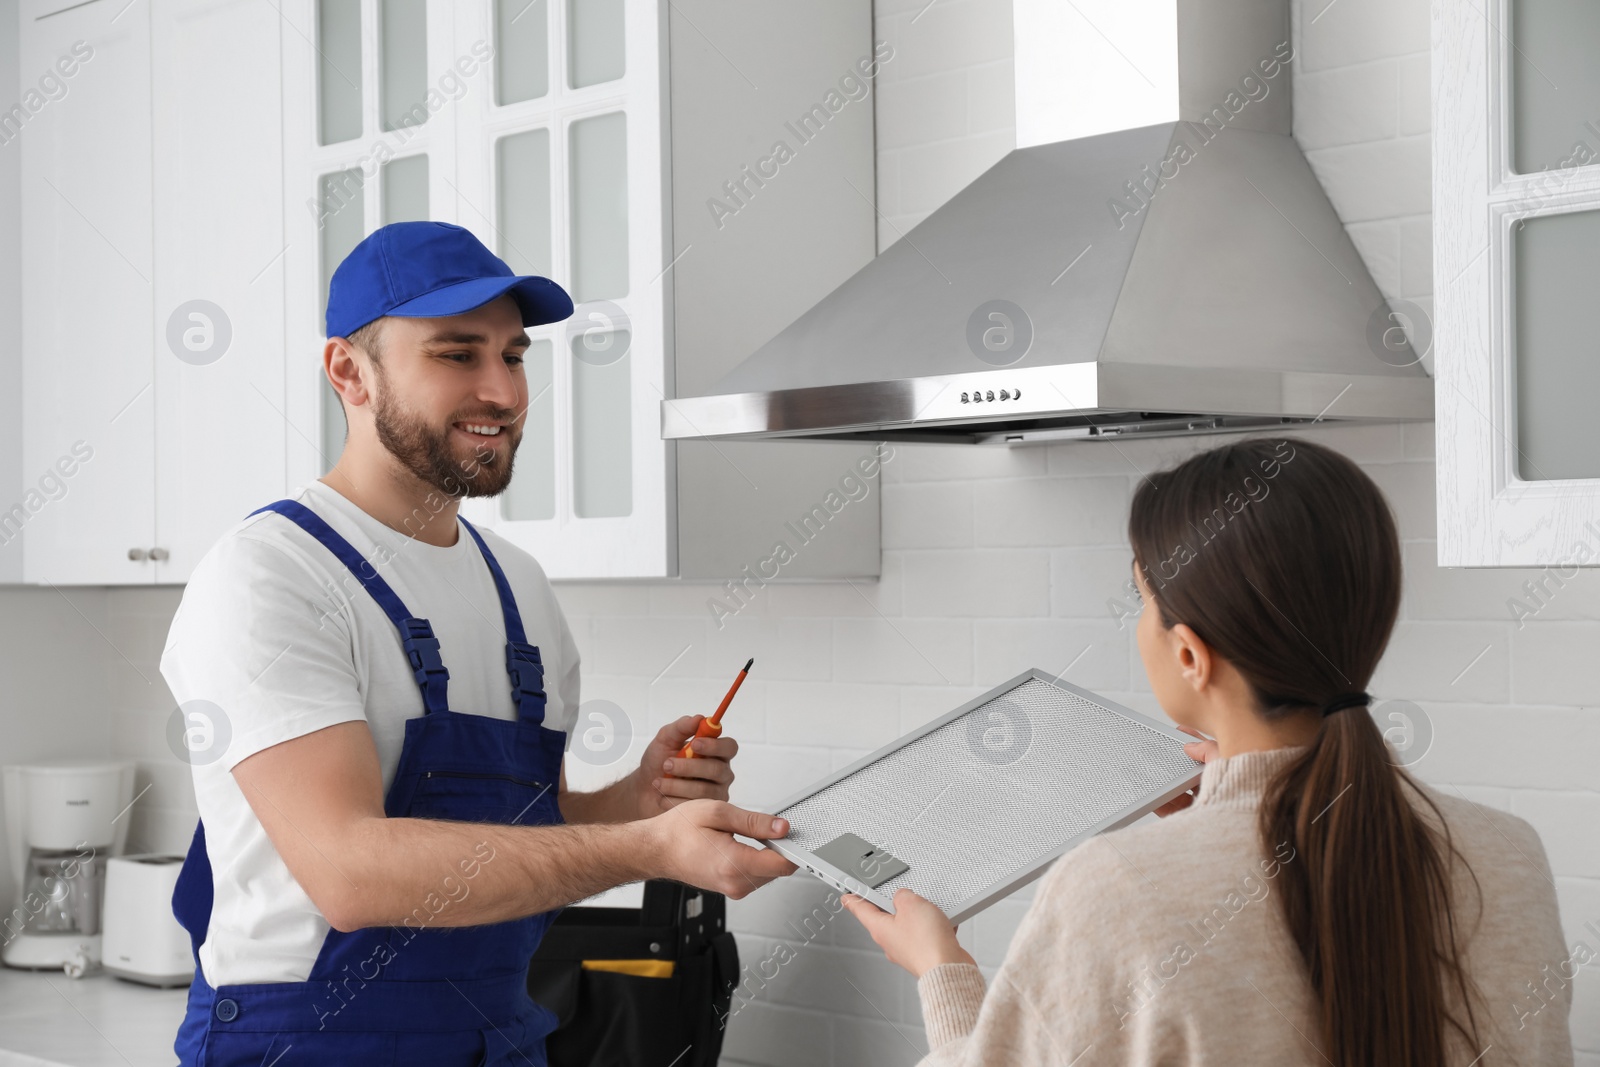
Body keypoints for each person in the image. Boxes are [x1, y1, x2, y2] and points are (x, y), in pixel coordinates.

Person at [161, 221, 796, 1066]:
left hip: (495, 1039)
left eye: (515, 355)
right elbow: (350, 870)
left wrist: (637, 801)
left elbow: (535, 832)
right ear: (349, 372)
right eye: (458, 355)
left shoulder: (519, 588)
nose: (501, 390)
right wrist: (642, 849)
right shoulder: (271, 575)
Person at [843, 437, 1574, 1066]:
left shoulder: (1116, 887)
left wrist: (942, 967)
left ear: (1190, 654)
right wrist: (1223, 825)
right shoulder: (1509, 854)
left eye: (1143, 601)